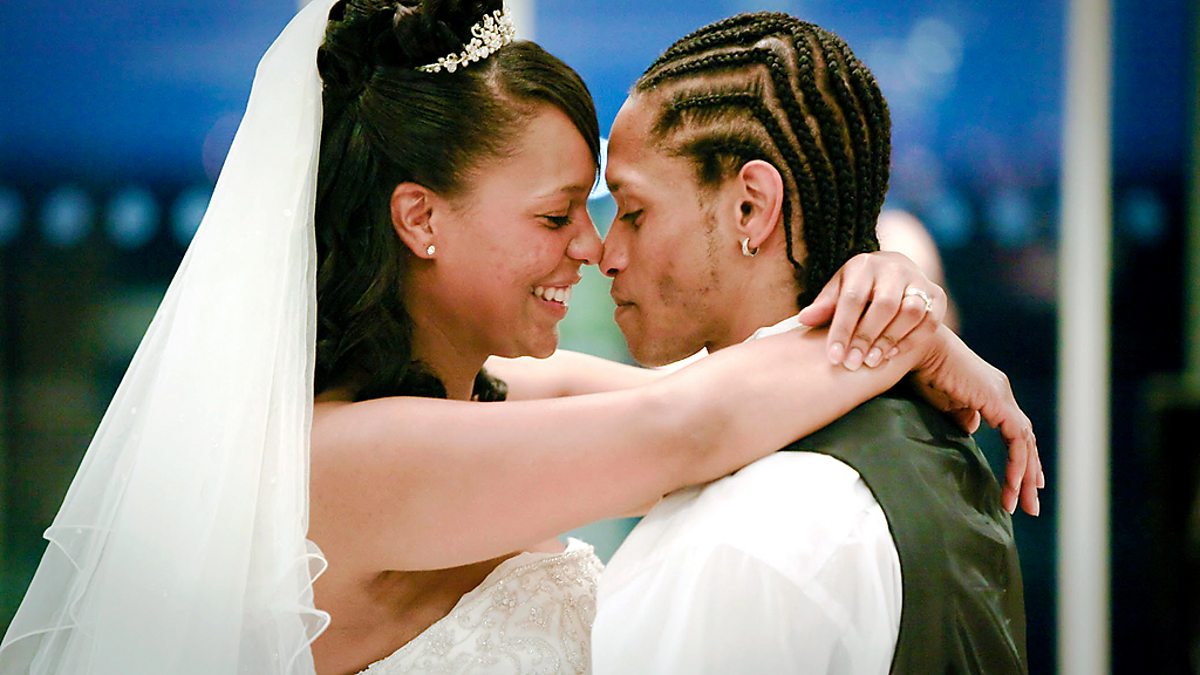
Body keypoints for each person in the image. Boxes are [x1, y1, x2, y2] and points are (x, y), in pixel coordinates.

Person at [0, 2, 1039, 674]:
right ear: (421, 220)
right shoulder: (344, 458)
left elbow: (730, 388)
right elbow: (693, 424)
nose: (591, 249)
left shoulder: (489, 396)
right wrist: (913, 327)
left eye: (606, 210)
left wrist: (897, 285)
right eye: (556, 216)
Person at [590, 12, 1032, 674]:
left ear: (750, 207)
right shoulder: (929, 446)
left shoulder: (750, 532)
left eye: (633, 211)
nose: (607, 254)